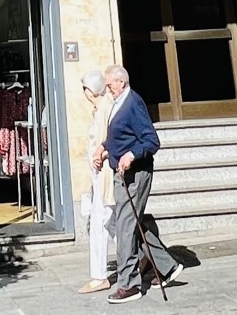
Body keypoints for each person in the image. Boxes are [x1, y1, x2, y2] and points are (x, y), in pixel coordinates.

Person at [100, 65, 180, 304]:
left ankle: (129, 284)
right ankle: (167, 265)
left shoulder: (133, 103)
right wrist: (104, 148)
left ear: (121, 82)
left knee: (125, 227)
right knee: (119, 223)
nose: (107, 89)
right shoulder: (119, 102)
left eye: (110, 84)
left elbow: (151, 140)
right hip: (122, 175)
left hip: (136, 174)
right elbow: (121, 135)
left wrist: (132, 155)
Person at [77, 72, 119, 295]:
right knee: (111, 224)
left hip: (104, 175)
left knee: (100, 225)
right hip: (99, 176)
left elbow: (107, 141)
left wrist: (100, 155)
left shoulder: (104, 109)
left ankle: (99, 276)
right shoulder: (100, 109)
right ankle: (145, 259)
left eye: (85, 88)